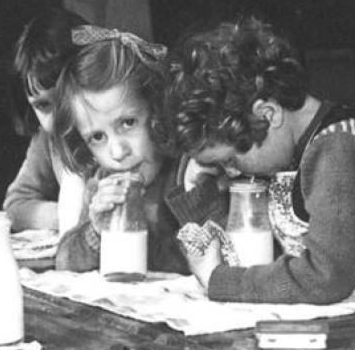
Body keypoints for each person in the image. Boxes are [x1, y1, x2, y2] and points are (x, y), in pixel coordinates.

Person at [164, 16, 355, 304]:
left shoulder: (338, 148)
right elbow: (259, 264)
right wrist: (197, 188)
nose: (229, 172)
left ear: (267, 114)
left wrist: (220, 281)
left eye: (230, 160)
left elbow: (325, 277)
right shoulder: (288, 153)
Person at [52, 25, 193, 274]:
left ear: (158, 111)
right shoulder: (102, 184)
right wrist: (94, 231)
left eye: (128, 123)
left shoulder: (185, 174)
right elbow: (65, 262)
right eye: (97, 137)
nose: (117, 152)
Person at [3, 8, 87, 234]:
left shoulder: (117, 137)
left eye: (65, 98)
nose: (58, 118)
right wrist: (69, 215)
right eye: (43, 105)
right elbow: (15, 205)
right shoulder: (48, 139)